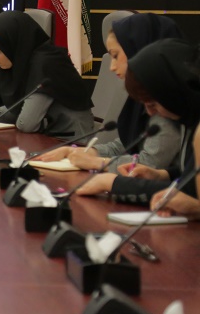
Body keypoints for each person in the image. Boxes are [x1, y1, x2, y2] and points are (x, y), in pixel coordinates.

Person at [39, 14, 183, 171]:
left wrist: (98, 163)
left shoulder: (166, 102)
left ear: (139, 50)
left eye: (115, 56)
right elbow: (124, 145)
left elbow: (150, 164)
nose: (112, 67)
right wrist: (77, 151)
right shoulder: (142, 94)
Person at [76, 38, 200, 204]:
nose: (149, 113)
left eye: (152, 105)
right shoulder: (187, 118)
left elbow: (189, 194)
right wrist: (162, 175)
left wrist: (114, 183)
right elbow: (189, 176)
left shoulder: (183, 119)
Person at [0, 11, 94, 137]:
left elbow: (26, 123)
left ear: (13, 46)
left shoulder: (46, 65)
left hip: (70, 142)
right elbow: (18, 108)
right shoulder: (24, 61)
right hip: (47, 137)